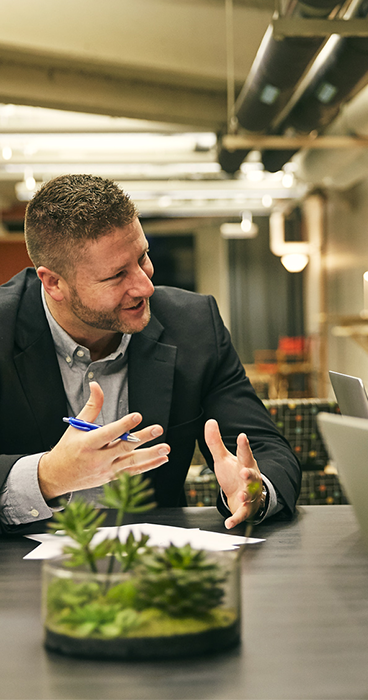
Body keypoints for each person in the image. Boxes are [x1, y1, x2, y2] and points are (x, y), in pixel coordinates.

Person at [0, 174, 301, 534]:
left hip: (153, 565)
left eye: (143, 257)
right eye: (116, 276)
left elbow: (265, 448)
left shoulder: (194, 325)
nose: (145, 285)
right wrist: (47, 477)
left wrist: (254, 490)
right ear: (53, 283)